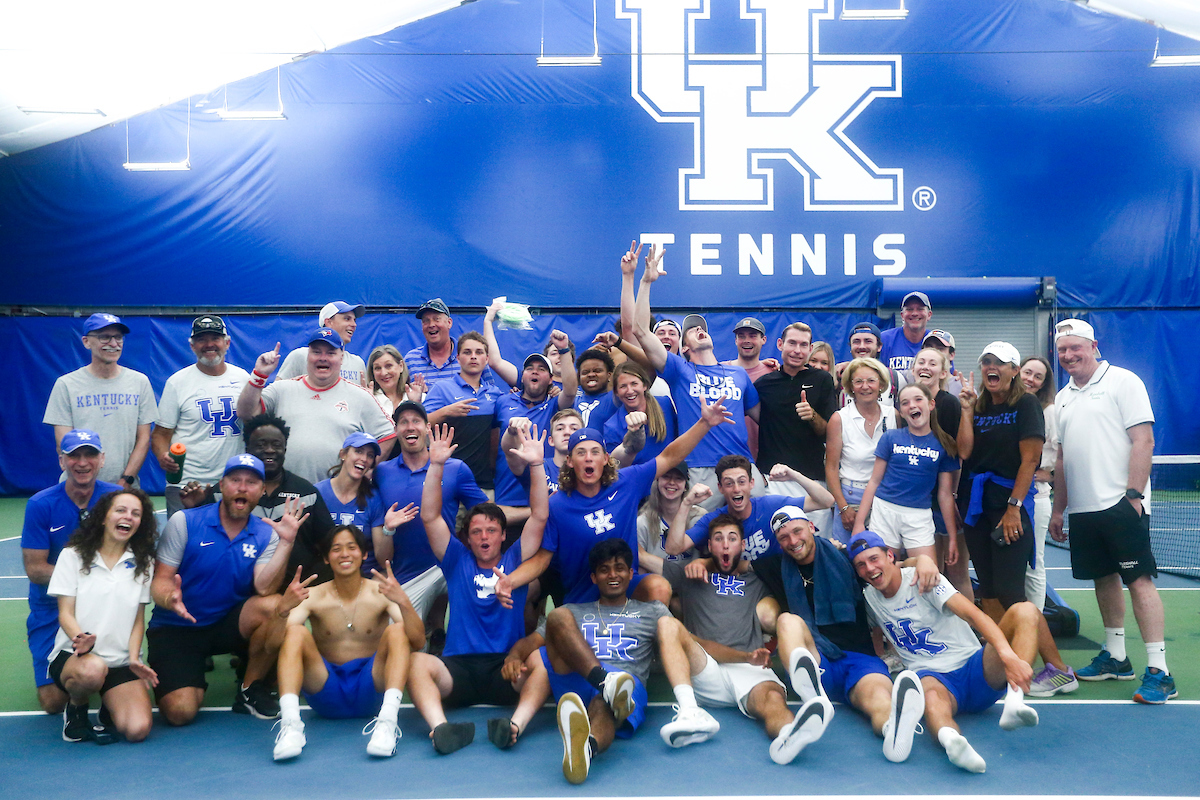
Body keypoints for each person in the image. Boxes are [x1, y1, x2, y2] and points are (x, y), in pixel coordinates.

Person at [496, 393, 737, 608]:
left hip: (627, 586)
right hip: (582, 595)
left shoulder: (627, 481)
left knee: (659, 588)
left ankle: (642, 646)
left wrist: (704, 423)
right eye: (581, 453)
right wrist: (511, 580)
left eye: (595, 452)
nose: (588, 458)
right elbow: (542, 558)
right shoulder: (558, 504)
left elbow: (670, 456)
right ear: (570, 461)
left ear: (605, 459)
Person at [523, 539, 721, 784]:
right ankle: (604, 682)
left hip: (627, 685)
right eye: (604, 570)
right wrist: (512, 657)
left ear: (631, 573)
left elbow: (689, 642)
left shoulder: (653, 611)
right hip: (578, 678)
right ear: (594, 578)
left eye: (619, 568)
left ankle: (586, 749)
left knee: (606, 704)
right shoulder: (574, 610)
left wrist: (745, 657)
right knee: (558, 615)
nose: (612, 575)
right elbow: (530, 641)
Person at [406, 424, 551, 754]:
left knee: (543, 663)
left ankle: (513, 726)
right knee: (416, 662)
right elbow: (430, 517)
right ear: (467, 538)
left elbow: (540, 515)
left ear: (503, 536)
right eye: (476, 532)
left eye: (491, 530)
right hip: (459, 669)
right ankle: (442, 729)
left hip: (505, 667)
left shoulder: (516, 558)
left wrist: (537, 465)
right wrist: (437, 465)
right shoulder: (456, 559)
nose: (484, 537)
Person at [1049, 318, 1173, 704]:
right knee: (1103, 580)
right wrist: (1060, 509)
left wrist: (1133, 495)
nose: (1069, 355)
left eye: (1075, 347)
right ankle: (1116, 658)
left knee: (1139, 582)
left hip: (1122, 503)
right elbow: (1064, 459)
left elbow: (1144, 439)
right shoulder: (1063, 397)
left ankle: (1160, 671)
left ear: (1093, 346)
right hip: (1084, 510)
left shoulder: (1124, 381)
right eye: (1063, 350)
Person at [753, 506, 934, 764]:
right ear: (778, 543)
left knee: (880, 701)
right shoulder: (774, 566)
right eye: (783, 537)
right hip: (817, 661)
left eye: (797, 531)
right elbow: (734, 563)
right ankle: (812, 700)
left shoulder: (847, 559)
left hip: (859, 660)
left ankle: (892, 732)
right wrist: (703, 562)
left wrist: (924, 560)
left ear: (811, 527)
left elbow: (898, 565)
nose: (792, 541)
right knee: (787, 621)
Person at [851, 531, 1041, 774]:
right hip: (933, 677)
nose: (869, 568)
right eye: (861, 565)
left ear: (890, 556)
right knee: (930, 701)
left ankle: (1014, 703)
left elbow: (974, 615)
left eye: (874, 559)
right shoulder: (869, 598)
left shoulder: (924, 578)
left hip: (976, 667)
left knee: (1025, 611)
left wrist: (1008, 657)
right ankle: (952, 741)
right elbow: (875, 631)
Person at [658, 515, 833, 764]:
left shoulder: (758, 577)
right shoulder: (689, 573)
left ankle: (788, 736)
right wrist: (699, 563)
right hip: (705, 668)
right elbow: (642, 563)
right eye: (718, 539)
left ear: (742, 545)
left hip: (750, 667)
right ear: (709, 546)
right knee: (666, 624)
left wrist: (834, 547)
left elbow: (806, 565)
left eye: (732, 539)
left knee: (773, 701)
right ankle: (690, 712)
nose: (726, 545)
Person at [148, 454, 307, 726]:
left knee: (275, 606)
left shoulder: (265, 533)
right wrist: (169, 597)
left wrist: (285, 543)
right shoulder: (185, 522)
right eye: (235, 480)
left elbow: (264, 587)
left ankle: (249, 689)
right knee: (179, 712)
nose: (242, 488)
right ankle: (188, 675)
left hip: (225, 623)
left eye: (251, 482)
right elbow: (160, 581)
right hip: (177, 626)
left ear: (261, 491)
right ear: (222, 485)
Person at [268, 526, 426, 761]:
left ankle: (388, 722)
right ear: (325, 557)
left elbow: (418, 640)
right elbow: (271, 646)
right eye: (336, 549)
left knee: (397, 630)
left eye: (352, 547)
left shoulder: (381, 592)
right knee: (294, 633)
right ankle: (291, 726)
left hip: (370, 690)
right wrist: (282, 609)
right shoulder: (312, 596)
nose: (344, 554)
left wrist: (403, 601)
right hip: (326, 692)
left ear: (363, 554)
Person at [628, 243, 766, 506]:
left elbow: (768, 421)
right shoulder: (679, 370)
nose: (700, 330)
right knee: (700, 539)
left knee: (759, 533)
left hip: (744, 466)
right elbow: (640, 331)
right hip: (699, 468)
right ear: (685, 347)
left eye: (703, 328)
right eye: (692, 330)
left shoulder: (738, 375)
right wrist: (646, 281)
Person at [22, 429, 122, 714]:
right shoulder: (41, 505)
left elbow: (135, 553)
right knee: (53, 702)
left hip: (105, 608)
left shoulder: (116, 499)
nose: (82, 462)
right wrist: (89, 579)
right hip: (51, 609)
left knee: (107, 685)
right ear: (61, 462)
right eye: (73, 455)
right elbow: (36, 570)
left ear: (101, 459)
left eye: (89, 454)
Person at [48, 489, 157, 744]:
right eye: (120, 510)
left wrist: (133, 658)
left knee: (137, 730)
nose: (128, 517)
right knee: (93, 671)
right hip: (77, 657)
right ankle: (77, 709)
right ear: (103, 517)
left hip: (119, 662)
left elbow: (138, 619)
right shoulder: (72, 556)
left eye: (136, 513)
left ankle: (111, 703)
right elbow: (65, 612)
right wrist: (80, 639)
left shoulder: (143, 562)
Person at [183, 414, 338, 586]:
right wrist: (195, 506)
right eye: (261, 445)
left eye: (276, 445)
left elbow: (329, 541)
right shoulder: (222, 493)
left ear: (285, 449)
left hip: (298, 587)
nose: (270, 450)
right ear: (247, 448)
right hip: (240, 589)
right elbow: (201, 543)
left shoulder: (306, 493)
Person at [373, 401, 489, 625]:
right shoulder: (382, 473)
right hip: (406, 577)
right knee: (406, 641)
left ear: (427, 428)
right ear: (396, 431)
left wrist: (531, 512)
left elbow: (487, 513)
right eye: (403, 423)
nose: (410, 427)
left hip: (449, 568)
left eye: (416, 421)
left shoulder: (456, 468)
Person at [237, 329, 396, 484]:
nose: (323, 358)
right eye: (317, 352)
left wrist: (365, 470)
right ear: (308, 357)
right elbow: (246, 413)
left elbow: (388, 435)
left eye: (331, 353)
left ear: (341, 358)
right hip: (285, 496)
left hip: (336, 499)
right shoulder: (282, 389)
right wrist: (259, 375)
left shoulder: (360, 396)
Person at [153, 315, 250, 518]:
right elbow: (161, 434)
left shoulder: (243, 378)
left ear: (227, 343)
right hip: (187, 483)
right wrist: (164, 456)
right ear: (192, 346)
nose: (209, 345)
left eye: (215, 338)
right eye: (201, 339)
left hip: (231, 482)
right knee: (182, 544)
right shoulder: (177, 382)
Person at [44, 313, 156, 487]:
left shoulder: (139, 382)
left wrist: (125, 481)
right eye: (104, 337)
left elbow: (143, 439)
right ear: (86, 342)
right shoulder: (66, 384)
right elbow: (64, 443)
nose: (113, 344)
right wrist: (86, 483)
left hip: (125, 489)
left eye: (118, 337)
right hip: (79, 487)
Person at [853, 383, 959, 565]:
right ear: (901, 412)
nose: (912, 405)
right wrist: (859, 523)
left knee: (928, 572)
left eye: (918, 399)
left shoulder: (943, 444)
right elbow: (874, 481)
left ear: (931, 404)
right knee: (886, 569)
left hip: (919, 515)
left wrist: (952, 537)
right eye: (905, 403)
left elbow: (945, 494)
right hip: (885, 510)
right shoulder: (891, 438)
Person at [665, 454, 833, 563]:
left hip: (774, 580)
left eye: (742, 481)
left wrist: (794, 475)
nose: (737, 489)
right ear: (720, 488)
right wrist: (686, 503)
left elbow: (825, 501)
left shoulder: (771, 505)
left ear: (752, 484)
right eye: (729, 484)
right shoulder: (714, 521)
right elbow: (673, 548)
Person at [753, 322, 838, 536]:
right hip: (773, 481)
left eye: (803, 345)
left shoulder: (822, 380)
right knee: (775, 546)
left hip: (812, 481)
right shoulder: (763, 383)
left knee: (818, 546)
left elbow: (829, 432)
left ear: (810, 349)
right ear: (780, 344)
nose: (797, 350)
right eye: (792, 343)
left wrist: (812, 416)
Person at [910, 347, 972, 600]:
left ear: (944, 372)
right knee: (928, 572)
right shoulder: (905, 402)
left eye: (932, 363)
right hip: (917, 503)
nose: (925, 366)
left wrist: (953, 498)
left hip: (945, 501)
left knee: (956, 572)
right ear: (913, 369)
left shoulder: (949, 404)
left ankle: (971, 633)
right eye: (921, 362)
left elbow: (958, 456)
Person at [492, 344, 578, 511]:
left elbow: (570, 391)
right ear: (522, 377)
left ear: (551, 379)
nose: (535, 371)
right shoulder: (503, 401)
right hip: (507, 493)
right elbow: (492, 441)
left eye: (542, 369)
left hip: (546, 494)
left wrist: (564, 350)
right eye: (529, 368)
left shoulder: (555, 403)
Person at [315, 433, 413, 577]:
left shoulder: (373, 498)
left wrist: (388, 529)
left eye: (370, 455)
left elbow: (384, 561)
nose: (364, 459)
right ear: (343, 454)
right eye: (358, 451)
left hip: (365, 577)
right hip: (326, 576)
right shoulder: (318, 493)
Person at [825, 358, 895, 545]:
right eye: (859, 381)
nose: (865, 387)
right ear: (850, 386)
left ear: (881, 384)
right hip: (851, 497)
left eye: (871, 380)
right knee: (847, 559)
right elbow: (831, 468)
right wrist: (843, 507)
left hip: (886, 497)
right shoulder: (839, 419)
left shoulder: (894, 415)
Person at [424, 331, 505, 492]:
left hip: (483, 484)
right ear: (458, 358)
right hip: (447, 484)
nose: (473, 356)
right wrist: (446, 412)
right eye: (467, 352)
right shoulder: (441, 388)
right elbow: (420, 424)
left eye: (479, 352)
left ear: (487, 359)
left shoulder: (495, 394)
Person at [1018, 355, 1057, 613]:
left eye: (1037, 376)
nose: (1030, 379)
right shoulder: (1007, 405)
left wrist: (1044, 472)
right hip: (1004, 495)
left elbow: (1055, 453)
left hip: (1036, 499)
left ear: (1043, 384)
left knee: (1033, 565)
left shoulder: (1049, 412)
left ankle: (1035, 624)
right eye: (1027, 372)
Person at [720, 317, 778, 460]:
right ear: (735, 340)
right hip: (727, 456)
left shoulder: (774, 373)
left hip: (766, 456)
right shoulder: (719, 371)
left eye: (752, 336)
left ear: (763, 340)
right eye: (741, 336)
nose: (746, 340)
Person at [603, 361, 677, 467]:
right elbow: (615, 468)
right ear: (616, 392)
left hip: (671, 476)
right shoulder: (612, 427)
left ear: (645, 385)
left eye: (634, 384)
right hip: (640, 480)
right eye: (623, 386)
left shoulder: (665, 404)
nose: (630, 391)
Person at [277, 301, 368, 386]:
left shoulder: (358, 363)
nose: (354, 325)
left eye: (354, 320)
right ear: (329, 322)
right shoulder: (301, 356)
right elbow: (276, 394)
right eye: (347, 319)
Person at [406, 298, 485, 392]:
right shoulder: (411, 360)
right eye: (426, 321)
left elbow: (488, 396)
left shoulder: (472, 356)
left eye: (436, 319)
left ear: (449, 323)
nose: (431, 325)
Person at [636, 463, 702, 570]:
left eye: (678, 478)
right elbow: (640, 567)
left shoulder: (699, 517)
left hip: (692, 583)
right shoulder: (643, 522)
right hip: (657, 582)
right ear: (658, 481)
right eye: (666, 476)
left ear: (686, 485)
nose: (671, 482)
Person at [836, 321, 901, 408]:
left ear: (879, 347)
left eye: (868, 341)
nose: (862, 346)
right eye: (856, 341)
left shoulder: (894, 377)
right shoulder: (841, 376)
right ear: (850, 347)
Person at [879, 292, 932, 373]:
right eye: (909, 309)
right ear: (902, 315)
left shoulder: (937, 340)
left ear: (929, 315)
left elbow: (948, 376)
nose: (914, 313)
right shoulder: (885, 339)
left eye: (920, 309)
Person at [366, 344, 422, 419]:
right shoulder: (369, 400)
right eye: (378, 368)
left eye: (388, 366)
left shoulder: (420, 397)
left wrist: (416, 404)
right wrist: (367, 403)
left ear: (401, 366)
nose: (383, 373)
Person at [573, 348, 619, 430]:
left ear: (609, 375)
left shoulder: (616, 398)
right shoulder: (570, 400)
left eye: (597, 371)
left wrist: (619, 343)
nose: (591, 375)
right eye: (585, 372)